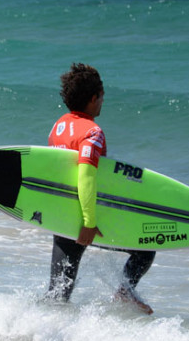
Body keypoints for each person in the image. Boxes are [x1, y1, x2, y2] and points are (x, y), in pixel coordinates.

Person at [46, 63, 155, 314]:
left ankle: (39, 335)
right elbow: (86, 177)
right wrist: (89, 221)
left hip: (62, 215)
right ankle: (124, 294)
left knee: (58, 294)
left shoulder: (58, 126)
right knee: (145, 248)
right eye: (102, 96)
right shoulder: (93, 132)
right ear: (94, 98)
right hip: (86, 217)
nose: (102, 102)